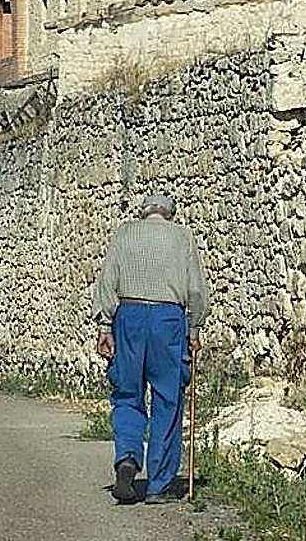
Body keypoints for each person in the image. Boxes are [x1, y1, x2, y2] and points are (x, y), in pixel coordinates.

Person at [93, 193, 209, 504]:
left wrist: (105, 326)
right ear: (170, 214)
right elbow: (195, 290)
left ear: (143, 213)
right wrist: (194, 328)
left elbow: (107, 281)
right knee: (168, 399)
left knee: (127, 394)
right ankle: (159, 485)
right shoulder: (182, 236)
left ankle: (128, 457)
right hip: (167, 319)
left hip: (128, 316)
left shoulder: (125, 233)